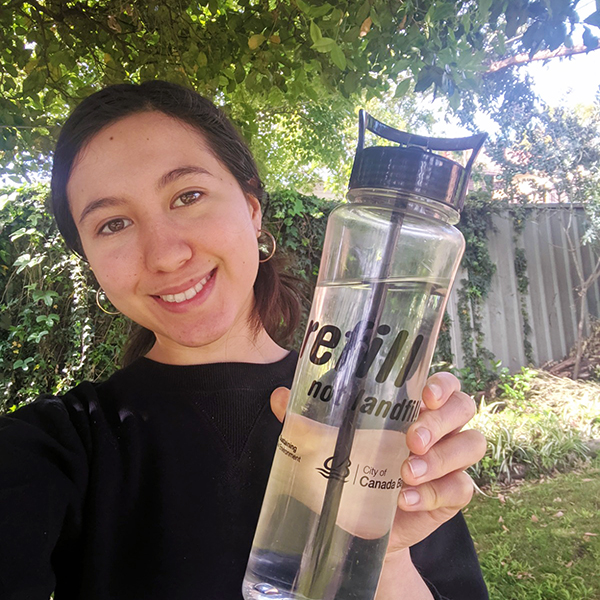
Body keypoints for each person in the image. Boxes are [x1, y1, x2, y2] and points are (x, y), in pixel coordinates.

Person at [0, 81, 488, 600]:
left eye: (188, 196)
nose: (165, 255)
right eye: (113, 224)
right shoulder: (52, 447)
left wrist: (382, 560)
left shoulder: (372, 421)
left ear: (252, 209)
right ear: (91, 263)